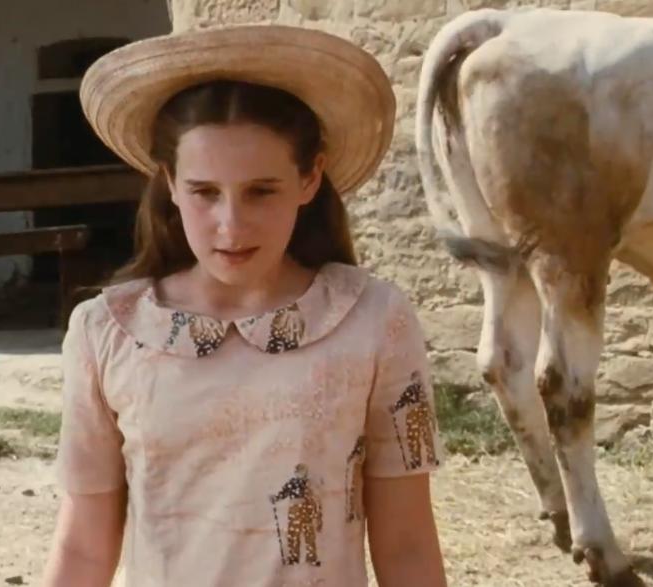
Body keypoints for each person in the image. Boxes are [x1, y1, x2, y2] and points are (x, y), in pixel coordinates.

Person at [38, 18, 448, 587]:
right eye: (205, 192)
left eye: (261, 191)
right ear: (170, 183)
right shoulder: (106, 332)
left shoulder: (375, 321)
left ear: (310, 179)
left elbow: (407, 546)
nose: (230, 225)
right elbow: (84, 547)